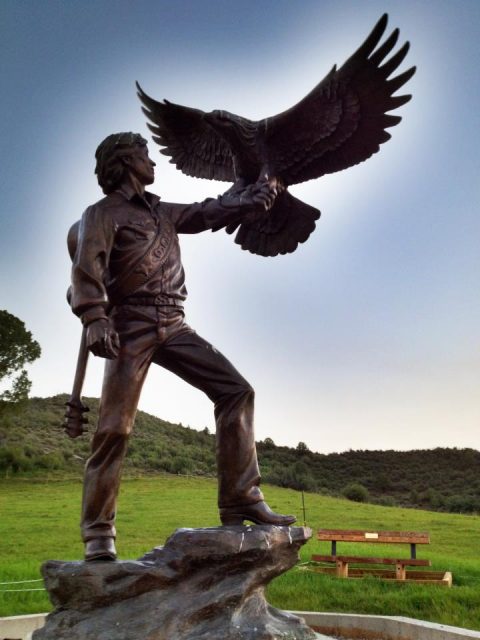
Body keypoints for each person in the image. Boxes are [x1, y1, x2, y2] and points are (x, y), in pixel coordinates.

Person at [69, 132, 296, 561]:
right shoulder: (101, 214)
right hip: (128, 326)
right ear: (125, 162)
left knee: (235, 390)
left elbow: (206, 212)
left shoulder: (161, 211)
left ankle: (240, 499)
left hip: (174, 324)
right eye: (144, 155)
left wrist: (249, 200)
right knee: (114, 428)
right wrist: (95, 318)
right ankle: (99, 532)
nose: (152, 162)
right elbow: (87, 269)